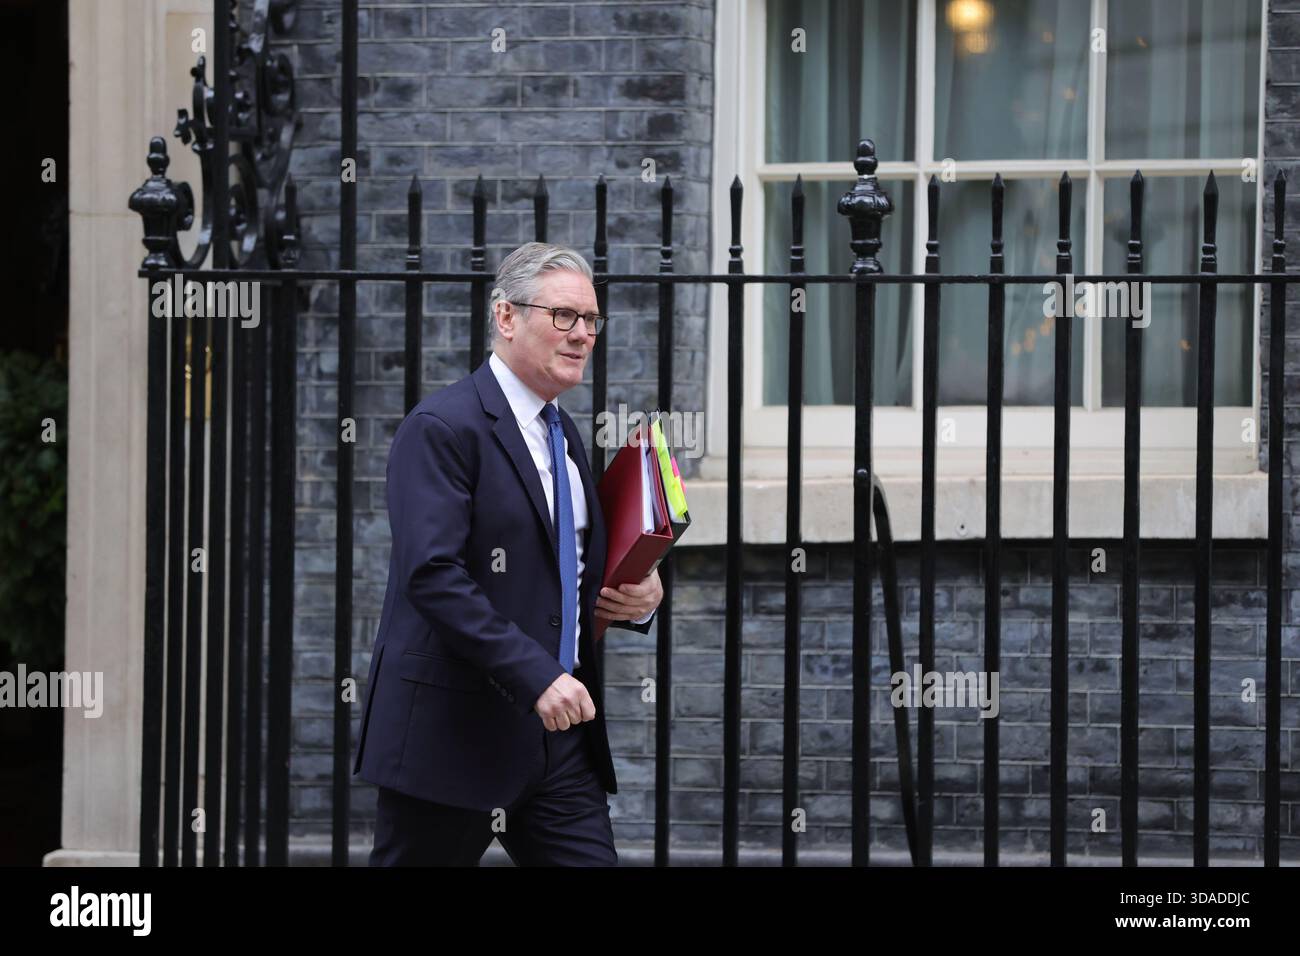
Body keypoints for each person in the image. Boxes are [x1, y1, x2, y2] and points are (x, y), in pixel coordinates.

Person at [354, 241, 663, 866]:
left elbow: (565, 568)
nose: (582, 335)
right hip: (452, 735)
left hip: (558, 743)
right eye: (564, 317)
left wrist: (639, 596)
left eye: (592, 321)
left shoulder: (564, 431)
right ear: (506, 318)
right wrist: (535, 674)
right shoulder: (441, 428)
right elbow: (433, 575)